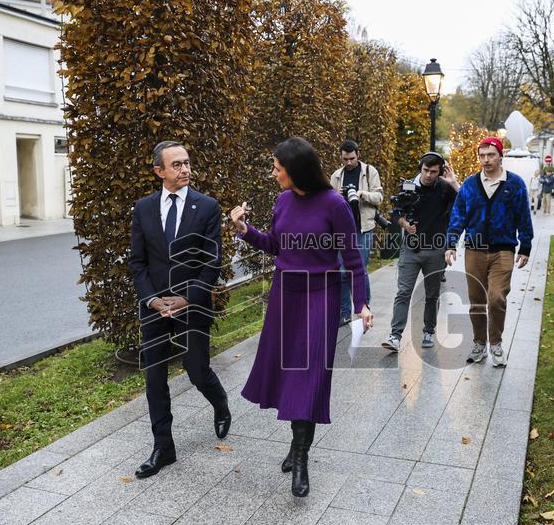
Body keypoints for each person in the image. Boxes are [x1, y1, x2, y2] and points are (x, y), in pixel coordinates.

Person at [230, 137, 372, 497]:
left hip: (320, 298)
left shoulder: (335, 204)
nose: (274, 173)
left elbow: (353, 259)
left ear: (296, 169)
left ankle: (301, 458)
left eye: (277, 168)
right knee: (287, 377)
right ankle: (296, 446)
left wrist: (361, 303)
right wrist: (245, 230)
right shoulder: (282, 201)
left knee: (307, 379)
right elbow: (275, 246)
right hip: (284, 297)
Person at [129, 141, 232, 479]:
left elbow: (211, 262)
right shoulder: (143, 209)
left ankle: (219, 403)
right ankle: (164, 446)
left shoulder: (206, 207)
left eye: (187, 163)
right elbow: (138, 262)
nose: (185, 169)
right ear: (159, 170)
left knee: (197, 369)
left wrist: (187, 298)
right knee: (155, 378)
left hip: (192, 305)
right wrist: (151, 299)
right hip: (155, 307)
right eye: (176, 164)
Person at [445, 137, 533, 368]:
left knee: (496, 298)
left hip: (503, 250)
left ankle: (496, 342)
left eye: (490, 155)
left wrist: (525, 246)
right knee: (476, 301)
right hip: (474, 250)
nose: (485, 160)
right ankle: (479, 343)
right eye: (482, 155)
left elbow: (523, 216)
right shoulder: (470, 185)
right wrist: (451, 243)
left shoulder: (515, 184)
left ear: (500, 156)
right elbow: (458, 215)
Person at [381, 152, 459, 352]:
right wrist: (404, 224)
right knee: (403, 292)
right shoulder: (409, 186)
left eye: (434, 172)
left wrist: (453, 182)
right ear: (420, 168)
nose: (429, 175)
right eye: (426, 170)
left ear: (440, 171)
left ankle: (428, 331)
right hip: (411, 248)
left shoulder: (445, 188)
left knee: (432, 294)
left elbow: (464, 206)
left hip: (436, 249)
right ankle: (395, 336)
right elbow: (396, 212)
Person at [329, 139, 382, 325]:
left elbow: (379, 197)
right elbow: (329, 202)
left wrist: (361, 194)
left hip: (363, 228)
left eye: (351, 158)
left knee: (360, 270)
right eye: (345, 159)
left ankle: (363, 307)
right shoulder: (336, 176)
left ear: (358, 155)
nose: (349, 162)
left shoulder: (369, 172)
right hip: (342, 230)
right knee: (342, 271)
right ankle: (344, 312)